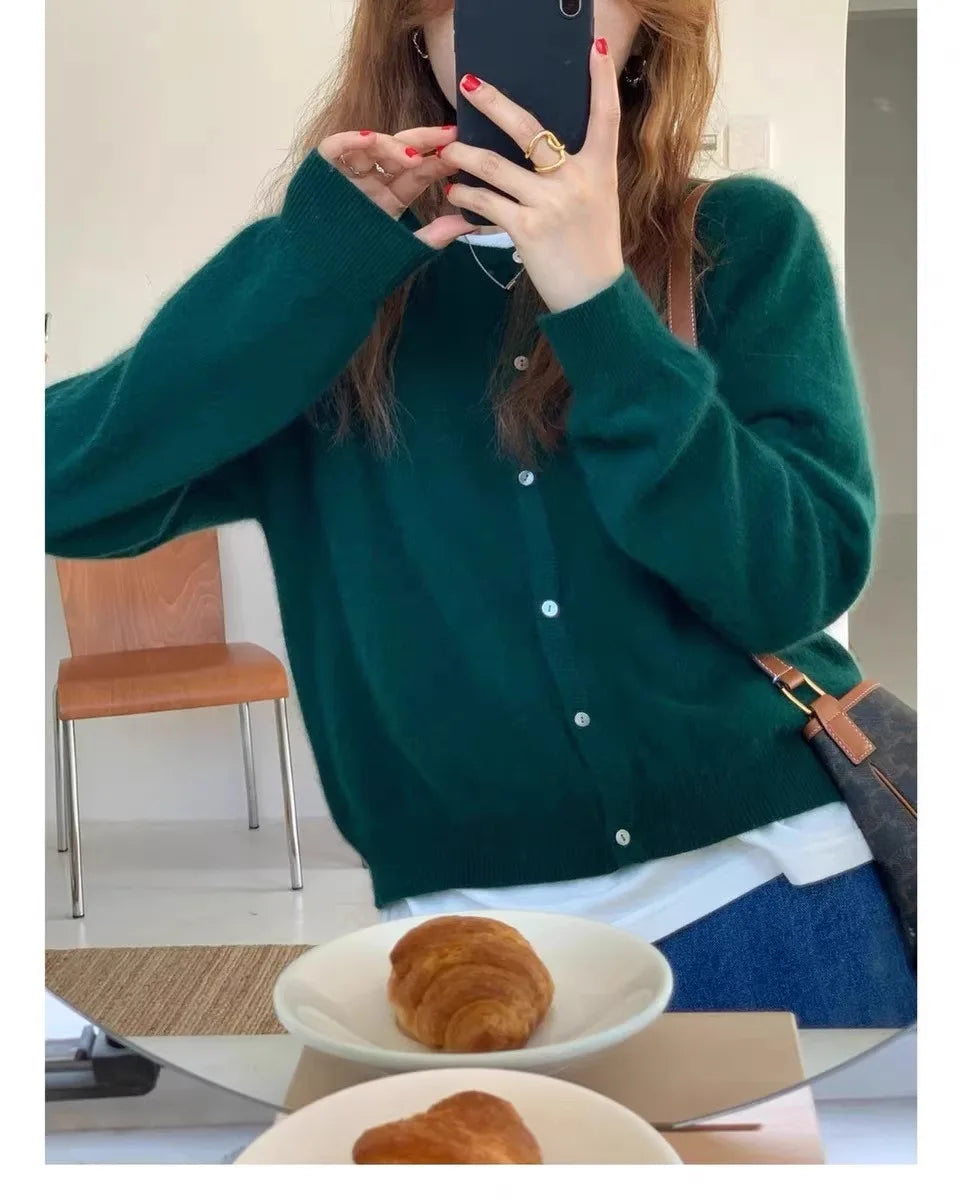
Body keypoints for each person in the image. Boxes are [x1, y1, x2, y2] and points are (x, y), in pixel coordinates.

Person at [46, 0, 915, 1028]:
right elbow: (56, 487)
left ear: (648, 30)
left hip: (773, 888)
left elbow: (792, 583)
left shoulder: (739, 239)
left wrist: (599, 302)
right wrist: (310, 269)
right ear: (415, 29)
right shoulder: (323, 291)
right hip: (463, 938)